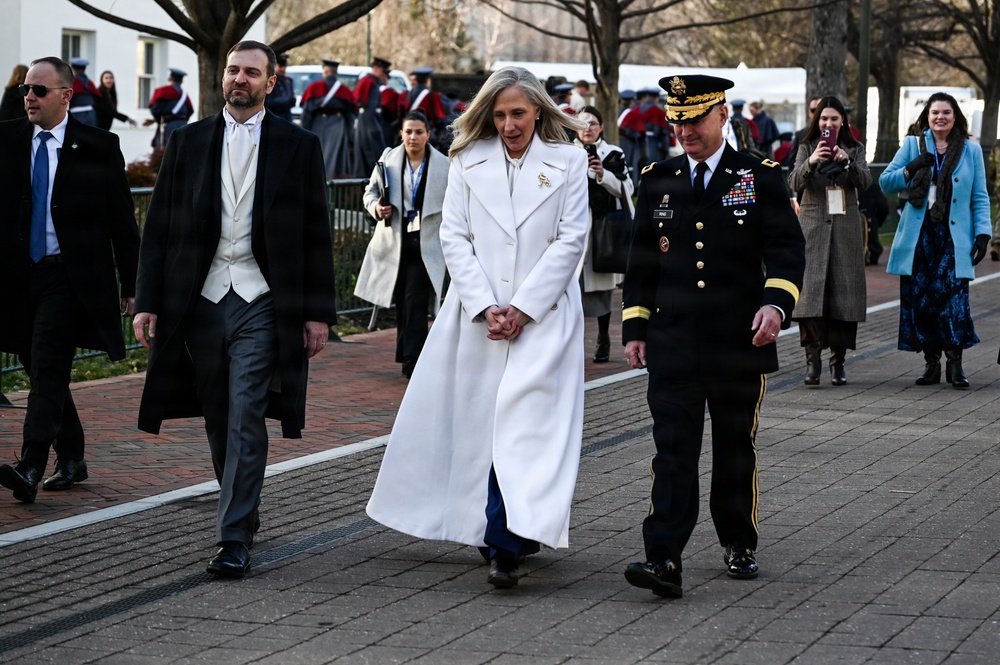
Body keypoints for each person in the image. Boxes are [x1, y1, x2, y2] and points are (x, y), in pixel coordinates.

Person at [366, 66, 589, 589]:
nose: (510, 124)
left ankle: (509, 541)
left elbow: (570, 240)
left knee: (528, 427)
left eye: (519, 113)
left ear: (538, 110)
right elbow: (455, 238)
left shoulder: (569, 161)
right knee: (484, 427)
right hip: (477, 319)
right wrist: (487, 303)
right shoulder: (468, 161)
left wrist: (525, 307)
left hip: (545, 318)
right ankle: (502, 535)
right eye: (501, 114)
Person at [132, 41, 337, 578]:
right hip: (200, 300)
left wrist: (318, 312)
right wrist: (148, 300)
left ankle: (231, 536)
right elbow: (159, 229)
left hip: (264, 299)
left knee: (248, 410)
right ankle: (241, 512)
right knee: (220, 416)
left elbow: (317, 232)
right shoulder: (188, 140)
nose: (239, 79)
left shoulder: (299, 145)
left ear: (272, 82)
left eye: (251, 72)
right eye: (232, 70)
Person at [620, 74, 805, 598]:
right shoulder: (657, 178)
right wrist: (636, 327)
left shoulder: (761, 176)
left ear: (722, 115)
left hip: (737, 342)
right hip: (673, 340)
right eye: (676, 122)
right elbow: (641, 265)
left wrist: (776, 304)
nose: (684, 131)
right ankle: (663, 558)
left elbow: (788, 253)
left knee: (733, 448)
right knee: (672, 451)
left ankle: (738, 541)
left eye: (694, 120)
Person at [0, 56, 140, 502]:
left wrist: (134, 287)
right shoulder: (6, 139)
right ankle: (74, 455)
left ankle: (30, 466)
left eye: (39, 91)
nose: (29, 97)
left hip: (67, 278)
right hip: (19, 279)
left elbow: (122, 222)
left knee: (46, 364)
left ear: (66, 95)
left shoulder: (98, 145)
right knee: (45, 368)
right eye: (26, 89)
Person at [879, 92, 992, 389]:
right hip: (919, 236)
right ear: (926, 116)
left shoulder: (971, 150)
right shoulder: (912, 144)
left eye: (946, 112)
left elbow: (980, 197)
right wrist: (912, 167)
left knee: (953, 299)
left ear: (955, 116)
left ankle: (956, 364)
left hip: (954, 238)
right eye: (934, 112)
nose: (940, 117)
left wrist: (983, 233)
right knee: (923, 300)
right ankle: (931, 364)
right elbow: (886, 182)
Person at [355, 110, 449, 379]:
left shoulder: (444, 166)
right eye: (408, 132)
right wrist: (376, 208)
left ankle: (413, 359)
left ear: (428, 135)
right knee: (402, 301)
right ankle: (407, 354)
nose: (413, 137)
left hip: (427, 242)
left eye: (419, 132)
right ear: (401, 134)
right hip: (394, 242)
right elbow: (370, 192)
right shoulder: (389, 159)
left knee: (416, 299)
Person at [788, 96, 872, 386]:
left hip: (845, 228)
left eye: (834, 119)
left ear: (842, 121)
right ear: (817, 121)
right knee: (810, 295)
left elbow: (866, 182)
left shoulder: (855, 148)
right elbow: (794, 182)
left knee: (842, 295)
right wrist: (812, 162)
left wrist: (846, 162)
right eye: (824, 119)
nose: (828, 123)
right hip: (812, 228)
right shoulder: (806, 146)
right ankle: (812, 362)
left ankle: (838, 362)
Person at [574, 105, 635, 362]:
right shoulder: (564, 153)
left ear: (601, 128)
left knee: (602, 290)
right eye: (582, 123)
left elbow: (627, 187)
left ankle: (603, 338)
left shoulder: (614, 153)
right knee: (572, 289)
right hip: (574, 228)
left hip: (603, 230)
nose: (587, 128)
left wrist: (603, 174)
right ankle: (571, 341)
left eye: (593, 124)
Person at [300, 59, 357, 180]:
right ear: (335, 72)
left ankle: (315, 180)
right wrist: (349, 134)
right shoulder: (344, 90)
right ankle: (330, 182)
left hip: (317, 123)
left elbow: (307, 112)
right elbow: (350, 115)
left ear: (325, 71)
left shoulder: (314, 88)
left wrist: (304, 129)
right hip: (338, 124)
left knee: (316, 153)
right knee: (334, 156)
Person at [352, 56, 392, 177]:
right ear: (376, 68)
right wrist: (375, 130)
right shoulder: (371, 83)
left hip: (364, 121)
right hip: (369, 124)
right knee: (373, 156)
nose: (383, 75)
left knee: (363, 157)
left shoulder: (367, 81)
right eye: (383, 71)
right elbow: (371, 109)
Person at [145, 68, 194, 150]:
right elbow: (190, 111)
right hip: (184, 126)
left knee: (168, 151)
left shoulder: (163, 91)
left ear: (170, 79)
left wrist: (159, 120)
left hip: (169, 127)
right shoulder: (185, 95)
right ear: (181, 81)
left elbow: (154, 109)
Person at [397, 67, 446, 146]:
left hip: (407, 132)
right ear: (427, 81)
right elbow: (439, 117)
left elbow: (400, 113)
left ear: (416, 80)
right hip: (425, 133)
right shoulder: (433, 96)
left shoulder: (405, 94)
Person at [618, 89, 645, 188]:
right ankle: (632, 185)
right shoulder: (634, 114)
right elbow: (638, 132)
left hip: (618, 140)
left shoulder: (616, 111)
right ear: (632, 101)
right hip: (630, 143)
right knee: (631, 165)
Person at [67, 58, 105, 127]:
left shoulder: (72, 82)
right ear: (84, 69)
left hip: (76, 115)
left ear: (72, 68)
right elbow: (98, 97)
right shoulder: (90, 83)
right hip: (91, 115)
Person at [263, 53, 294, 122]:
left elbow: (292, 99)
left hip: (287, 117)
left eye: (284, 66)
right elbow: (269, 102)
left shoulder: (288, 81)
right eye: (280, 66)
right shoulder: (269, 81)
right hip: (274, 116)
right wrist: (286, 101)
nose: (283, 69)